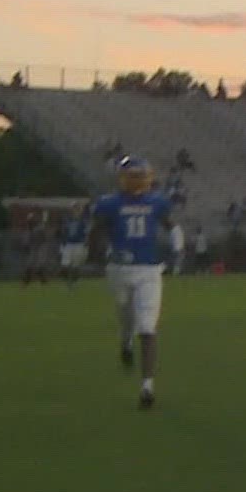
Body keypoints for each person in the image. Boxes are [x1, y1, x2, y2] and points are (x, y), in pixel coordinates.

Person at [89, 157, 175, 409]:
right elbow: (97, 231)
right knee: (126, 318)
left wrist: (177, 248)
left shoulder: (157, 201)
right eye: (132, 176)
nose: (137, 181)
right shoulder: (109, 203)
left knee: (147, 327)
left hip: (149, 270)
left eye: (140, 176)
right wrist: (96, 252)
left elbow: (172, 226)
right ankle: (125, 341)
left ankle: (147, 386)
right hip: (119, 269)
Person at [59, 210, 88, 287]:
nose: (76, 212)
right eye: (75, 210)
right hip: (68, 245)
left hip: (79, 244)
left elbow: (86, 233)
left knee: (76, 265)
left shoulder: (83, 222)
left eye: (77, 211)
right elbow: (64, 232)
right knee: (64, 265)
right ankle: (67, 282)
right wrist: (62, 243)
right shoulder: (67, 222)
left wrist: (85, 243)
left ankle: (74, 282)